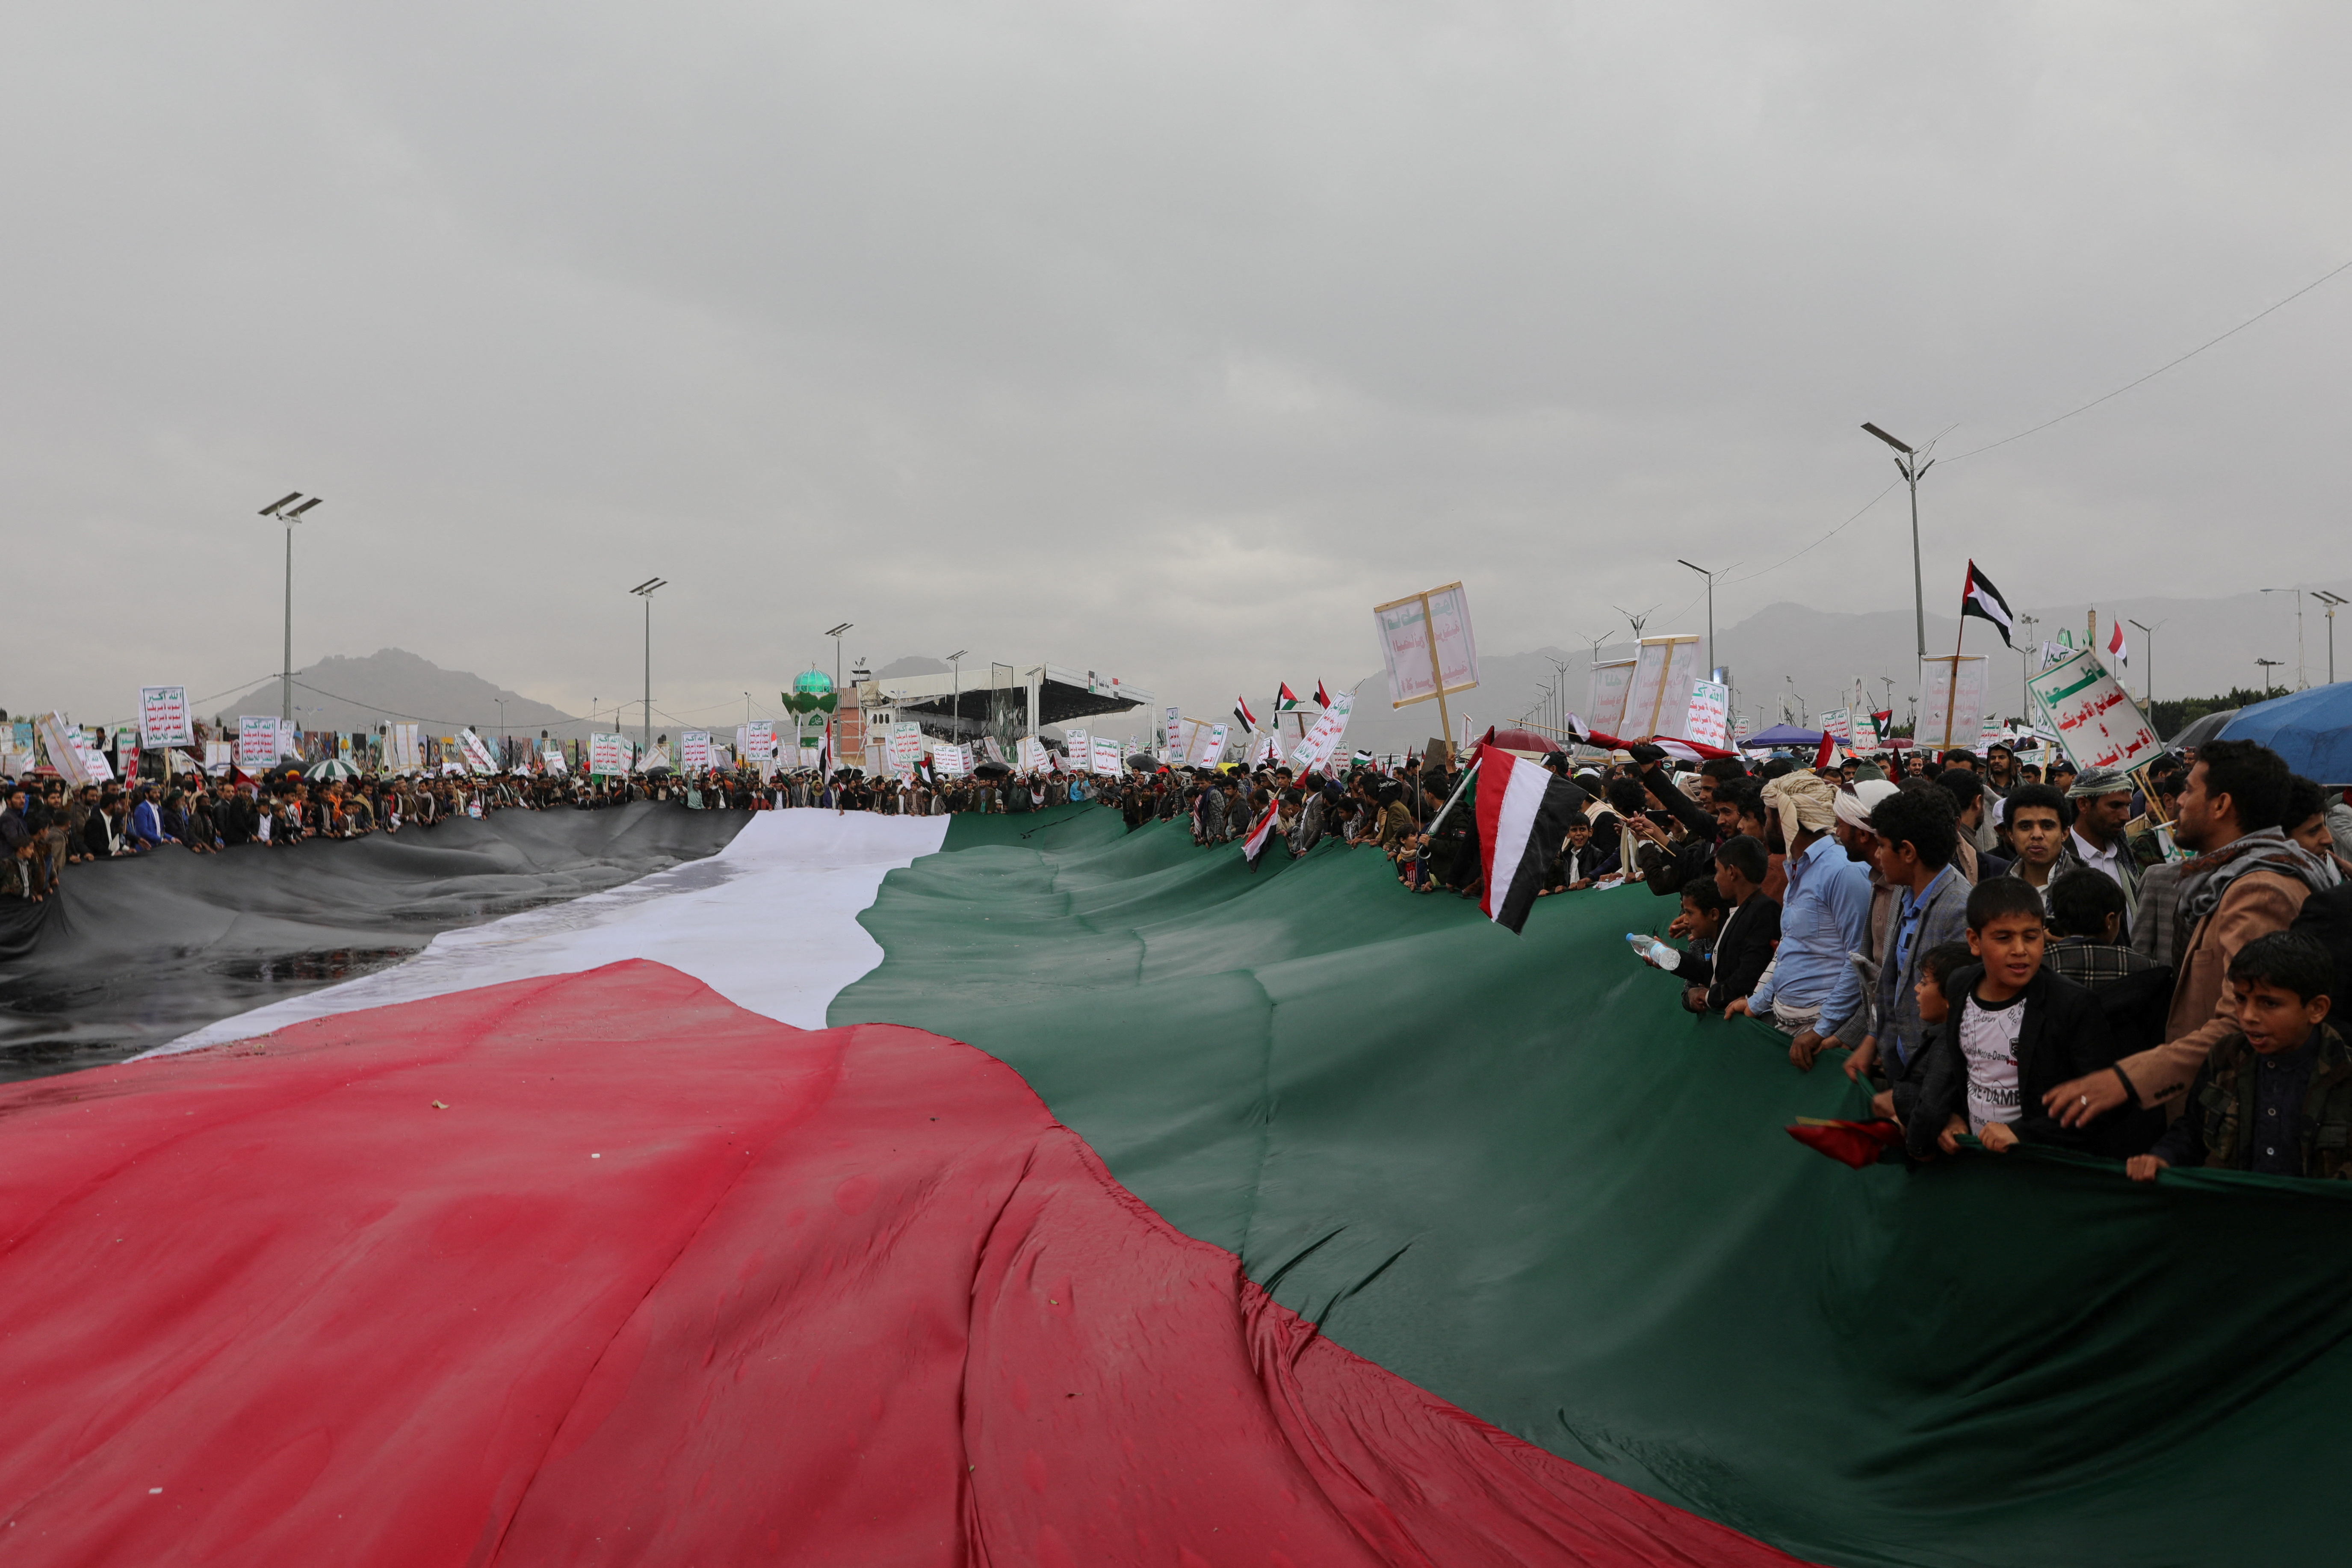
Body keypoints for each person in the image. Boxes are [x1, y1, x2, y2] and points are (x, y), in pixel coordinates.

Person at [2047, 738, 2340, 1129]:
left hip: (2235, 1118)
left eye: (2188, 790)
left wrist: (2129, 1078)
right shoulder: (2228, 881)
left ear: (2221, 805)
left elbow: (2245, 1023)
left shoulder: (2259, 891)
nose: (2178, 802)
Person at [1907, 877, 2120, 1159]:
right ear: (1974, 941)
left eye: (2031, 936)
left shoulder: (2073, 1004)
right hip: (1977, 1159)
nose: (2020, 949)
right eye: (2004, 938)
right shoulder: (1960, 985)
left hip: (2042, 1165)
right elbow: (1965, 1071)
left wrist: (2023, 1134)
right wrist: (1954, 1115)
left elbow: (2102, 1101)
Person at [2126, 931, 2351, 1181]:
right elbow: (2193, 1130)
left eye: (2269, 1003)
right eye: (2241, 999)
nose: (2248, 1016)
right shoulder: (2226, 1056)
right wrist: (2163, 1157)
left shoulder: (2344, 1073)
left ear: (2317, 1009)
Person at [1731, 771, 1871, 1068]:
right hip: (1788, 1023)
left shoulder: (1843, 871)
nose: (1765, 826)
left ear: (1785, 818)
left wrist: (1822, 1030)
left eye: (1768, 817)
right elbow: (1793, 951)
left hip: (1819, 1034)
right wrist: (1757, 1003)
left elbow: (1859, 959)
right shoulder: (1800, 867)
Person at [1849, 785, 1971, 1096]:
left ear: (1908, 852)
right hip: (1902, 1068)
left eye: (1882, 846)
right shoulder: (1905, 892)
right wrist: (1873, 1040)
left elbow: (1956, 1019)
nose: (1877, 855)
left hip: (1932, 1082)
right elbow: (1894, 984)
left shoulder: (1959, 910)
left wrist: (1912, 1096)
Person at [1658, 835, 1779, 1015]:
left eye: (1717, 871)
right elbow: (1716, 973)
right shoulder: (1739, 912)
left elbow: (1747, 976)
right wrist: (1671, 957)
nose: (1715, 879)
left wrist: (1709, 996)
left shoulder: (1765, 910)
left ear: (1732, 872)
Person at [2064, 767, 2142, 927]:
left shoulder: (2125, 855)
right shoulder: (2060, 858)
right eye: (2115, 806)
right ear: (2083, 805)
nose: (2126, 817)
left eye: (2127, 806)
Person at [1997, 783, 2078, 909]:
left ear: (2065, 833)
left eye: (2047, 826)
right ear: (2011, 834)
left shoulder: (2091, 892)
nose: (2037, 835)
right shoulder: (1996, 895)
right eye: (2025, 827)